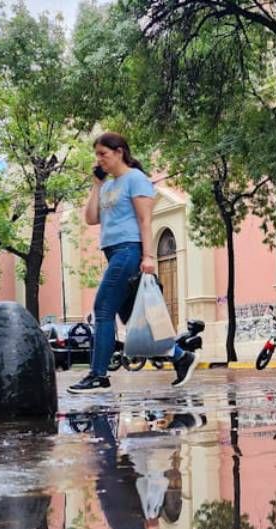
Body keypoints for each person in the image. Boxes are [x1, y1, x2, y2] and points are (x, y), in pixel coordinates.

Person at [69, 132, 199, 394]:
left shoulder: (136, 179)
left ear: (119, 152)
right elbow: (92, 218)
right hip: (113, 252)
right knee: (135, 319)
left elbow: (145, 220)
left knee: (103, 309)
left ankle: (98, 374)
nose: (99, 159)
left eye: (103, 154)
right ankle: (180, 357)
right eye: (97, 155)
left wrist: (149, 256)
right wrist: (96, 184)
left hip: (129, 251)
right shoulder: (107, 186)